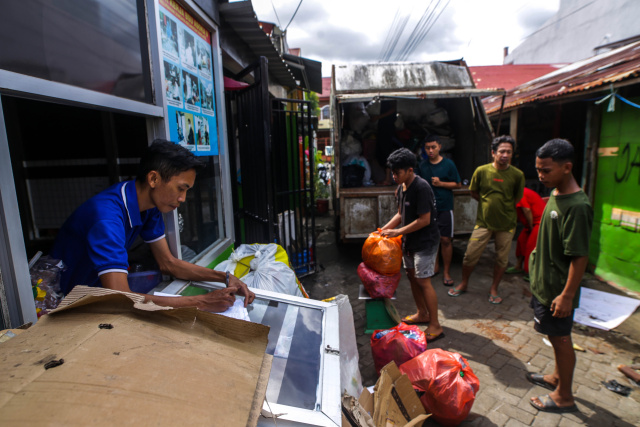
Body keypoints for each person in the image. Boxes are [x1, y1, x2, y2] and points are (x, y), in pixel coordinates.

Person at [51, 140, 255, 312]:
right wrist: (201, 302)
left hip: (97, 293)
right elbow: (119, 297)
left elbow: (168, 263)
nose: (183, 198)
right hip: (67, 302)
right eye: (180, 189)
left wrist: (226, 277)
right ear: (153, 178)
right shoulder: (106, 218)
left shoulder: (149, 207)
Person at [525, 138, 592, 413]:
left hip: (557, 290)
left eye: (546, 170)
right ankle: (555, 377)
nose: (541, 176)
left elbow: (580, 256)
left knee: (562, 339)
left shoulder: (577, 206)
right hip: (544, 283)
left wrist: (566, 295)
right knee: (553, 336)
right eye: (538, 169)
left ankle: (565, 395)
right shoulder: (555, 192)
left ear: (567, 168)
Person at [448, 135, 525, 304]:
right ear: (493, 153)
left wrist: (501, 208)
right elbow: (474, 192)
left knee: (502, 259)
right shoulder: (482, 171)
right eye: (502, 151)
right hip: (483, 223)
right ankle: (464, 283)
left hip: (506, 224)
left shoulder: (517, 175)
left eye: (509, 152)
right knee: (469, 256)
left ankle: (494, 288)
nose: (505, 155)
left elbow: (517, 198)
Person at [379, 148, 444, 341]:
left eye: (397, 172)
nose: (394, 176)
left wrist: (397, 232)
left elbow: (424, 220)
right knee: (412, 276)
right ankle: (421, 313)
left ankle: (435, 325)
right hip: (409, 241)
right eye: (392, 172)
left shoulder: (422, 187)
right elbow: (400, 214)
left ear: (409, 170)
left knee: (424, 281)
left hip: (425, 242)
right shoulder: (400, 188)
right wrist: (381, 231)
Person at [417, 135, 461, 286]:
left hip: (445, 207)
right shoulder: (422, 166)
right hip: (429, 209)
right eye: (427, 148)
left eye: (433, 147)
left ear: (439, 147)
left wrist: (441, 184)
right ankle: (435, 267)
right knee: (432, 240)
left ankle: (446, 271)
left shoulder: (449, 164)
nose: (430, 150)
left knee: (445, 240)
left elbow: (458, 185)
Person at [505, 187, 547, 280]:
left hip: (539, 222)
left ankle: (532, 273)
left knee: (531, 246)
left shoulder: (520, 193)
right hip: (532, 223)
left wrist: (531, 227)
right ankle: (518, 266)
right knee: (521, 241)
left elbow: (527, 210)